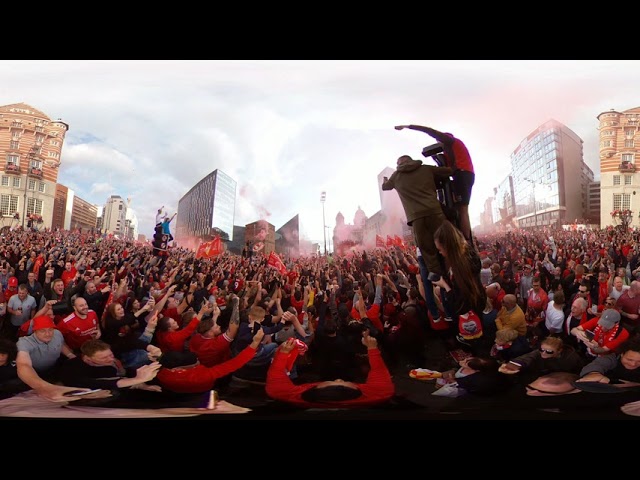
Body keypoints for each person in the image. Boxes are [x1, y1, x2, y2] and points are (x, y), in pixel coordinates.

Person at [265, 333, 395, 408]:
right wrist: (372, 349)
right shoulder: (379, 395)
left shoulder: (288, 395)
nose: (337, 379)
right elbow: (380, 375)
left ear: (314, 389)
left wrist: (282, 354)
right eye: (342, 382)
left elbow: (275, 381)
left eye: (330, 382)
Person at [394, 124, 475, 242]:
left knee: (462, 209)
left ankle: (466, 241)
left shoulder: (450, 141)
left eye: (440, 142)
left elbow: (430, 131)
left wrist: (407, 126)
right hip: (464, 175)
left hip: (462, 174)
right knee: (458, 209)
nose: (439, 145)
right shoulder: (453, 151)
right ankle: (464, 238)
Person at [381, 154, 453, 282]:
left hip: (417, 217)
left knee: (426, 247)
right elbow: (448, 171)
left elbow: (385, 187)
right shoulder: (425, 169)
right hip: (435, 212)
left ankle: (437, 275)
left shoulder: (396, 176)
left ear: (399, 164)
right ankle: (452, 269)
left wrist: (385, 180)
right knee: (446, 241)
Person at [16, 314, 95, 401]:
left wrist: (72, 357)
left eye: (50, 330)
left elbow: (61, 345)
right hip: (35, 373)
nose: (48, 334)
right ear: (35, 331)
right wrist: (45, 387)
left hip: (54, 368)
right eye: (42, 331)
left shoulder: (57, 334)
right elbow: (24, 365)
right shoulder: (24, 342)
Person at [432, 220, 486, 325]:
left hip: (470, 322)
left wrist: (445, 286)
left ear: (448, 247)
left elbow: (460, 306)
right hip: (478, 310)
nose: (440, 252)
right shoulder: (470, 256)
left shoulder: (460, 270)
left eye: (440, 249)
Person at [56, 339, 162, 391]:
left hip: (122, 373)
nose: (111, 358)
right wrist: (139, 382)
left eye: (110, 354)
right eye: (104, 358)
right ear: (88, 359)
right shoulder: (73, 371)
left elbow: (129, 342)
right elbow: (103, 384)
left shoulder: (106, 351)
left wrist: (151, 348)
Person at [498, 336, 584, 382]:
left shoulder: (572, 358)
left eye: (549, 351)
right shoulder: (538, 353)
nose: (543, 353)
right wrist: (511, 366)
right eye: (542, 350)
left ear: (559, 351)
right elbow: (527, 357)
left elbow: (578, 371)